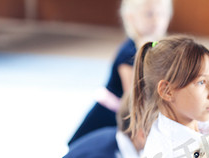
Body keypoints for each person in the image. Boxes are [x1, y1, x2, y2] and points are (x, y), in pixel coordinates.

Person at [67, 0, 172, 146]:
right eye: (149, 14)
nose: (157, 20)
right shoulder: (128, 53)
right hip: (111, 115)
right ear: (131, 17)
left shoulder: (156, 47)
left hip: (131, 113)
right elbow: (133, 96)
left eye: (162, 14)